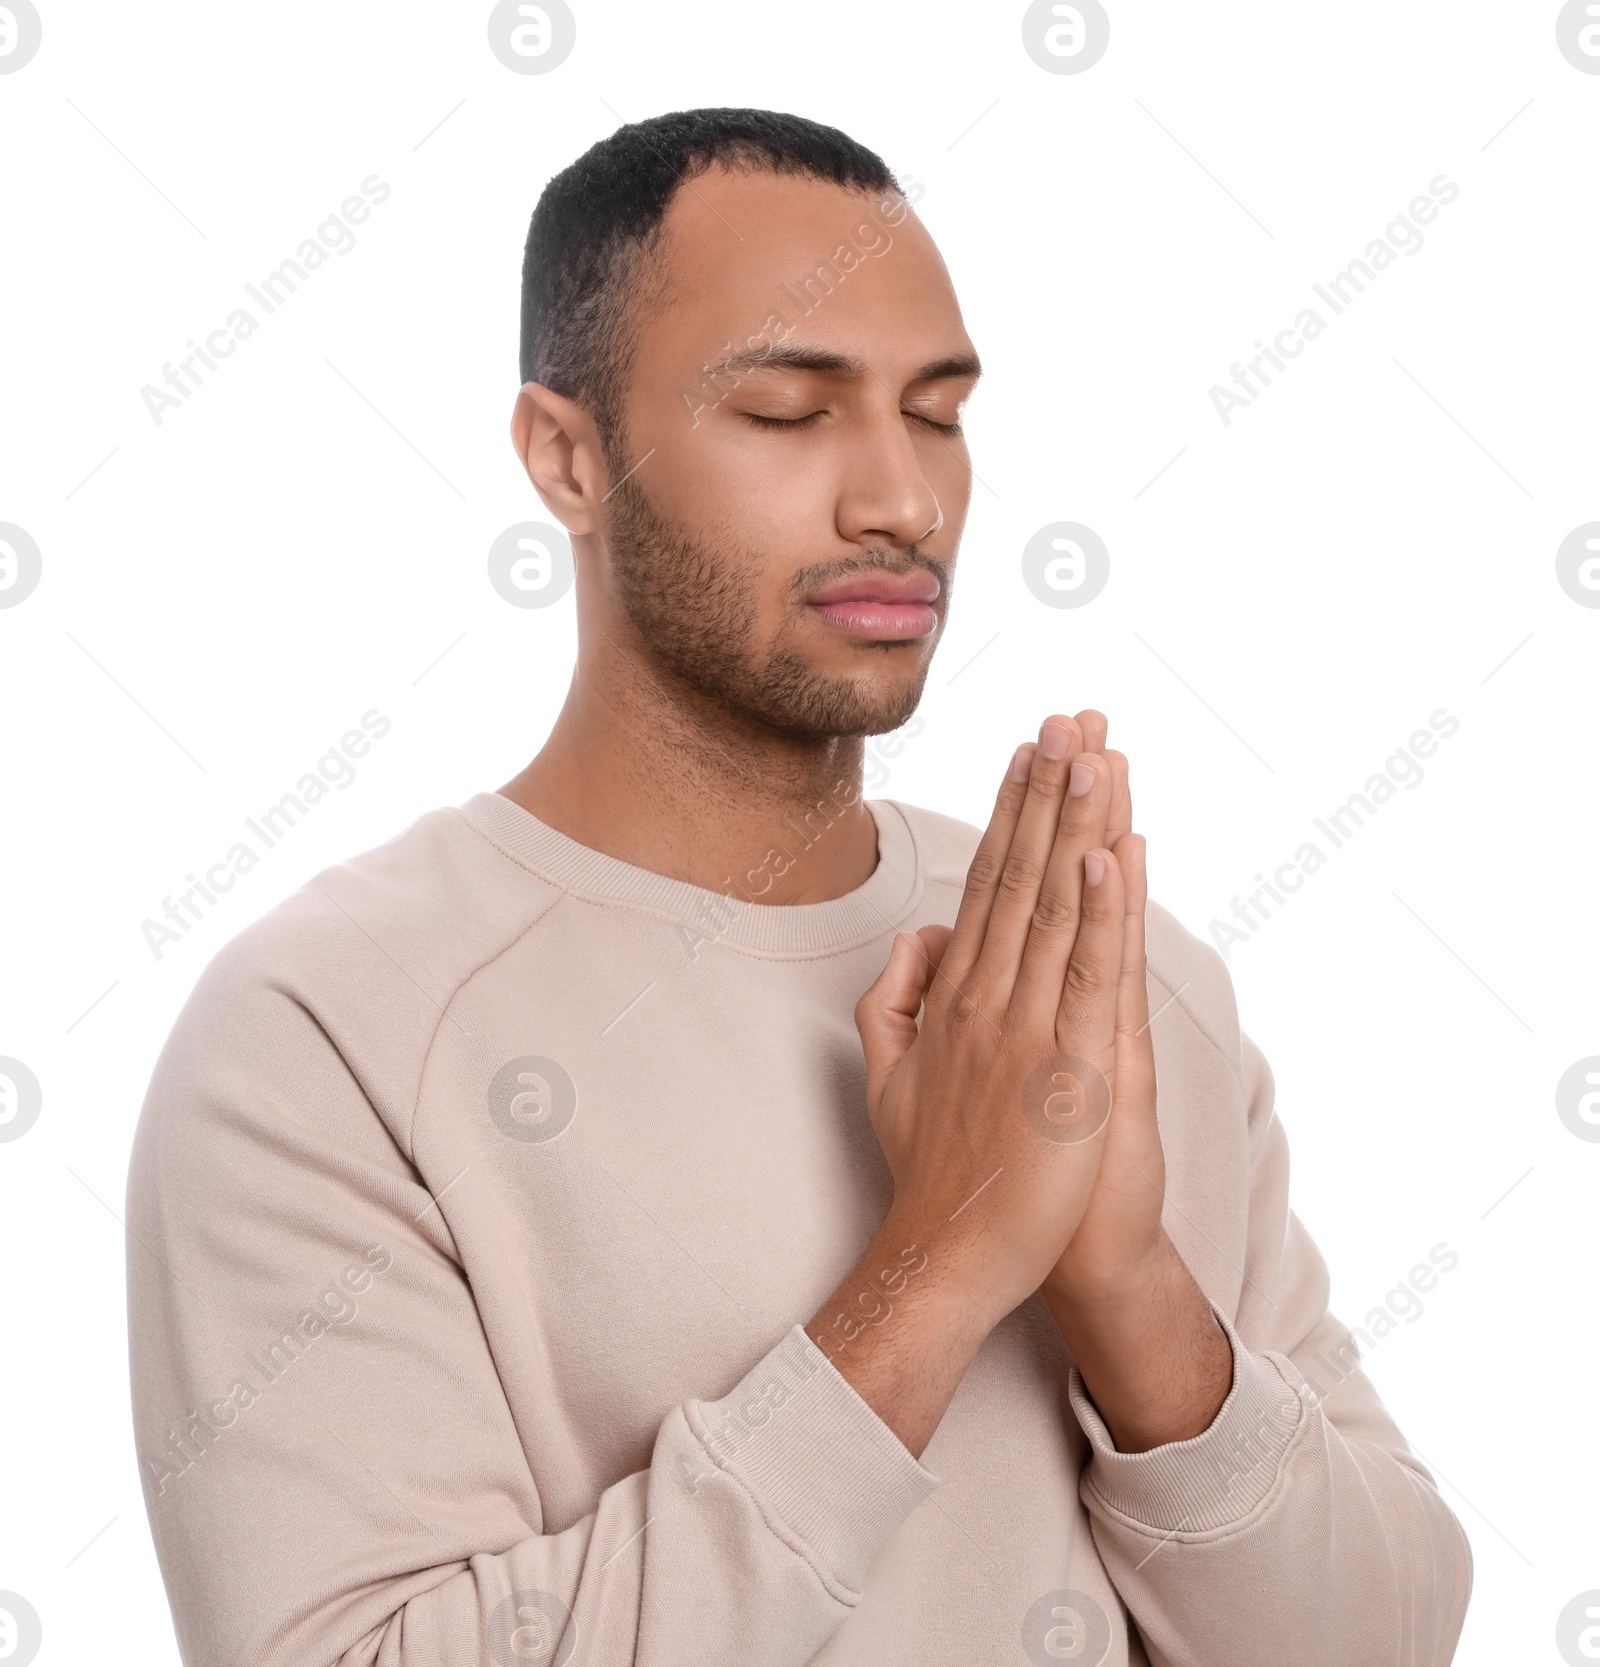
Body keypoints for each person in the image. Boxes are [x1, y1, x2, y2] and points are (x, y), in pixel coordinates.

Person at [126, 107, 1472, 1667]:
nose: (901, 499)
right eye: (788, 411)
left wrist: (1127, 1289)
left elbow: (1382, 1639)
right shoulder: (325, 1033)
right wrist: (942, 1264)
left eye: (939, 413)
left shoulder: (1100, 978)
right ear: (565, 457)